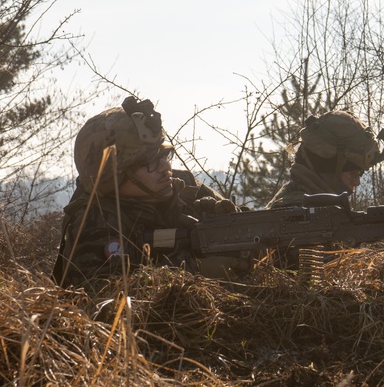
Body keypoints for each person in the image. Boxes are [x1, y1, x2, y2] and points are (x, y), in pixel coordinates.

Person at [52, 96, 244, 298]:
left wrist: (224, 221)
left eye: (164, 155)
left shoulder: (183, 186)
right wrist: (193, 269)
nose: (165, 167)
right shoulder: (95, 221)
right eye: (149, 162)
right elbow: (105, 298)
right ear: (114, 176)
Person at [267, 110, 384, 209]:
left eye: (359, 174)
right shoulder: (294, 211)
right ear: (328, 172)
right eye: (353, 174)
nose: (357, 183)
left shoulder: (319, 205)